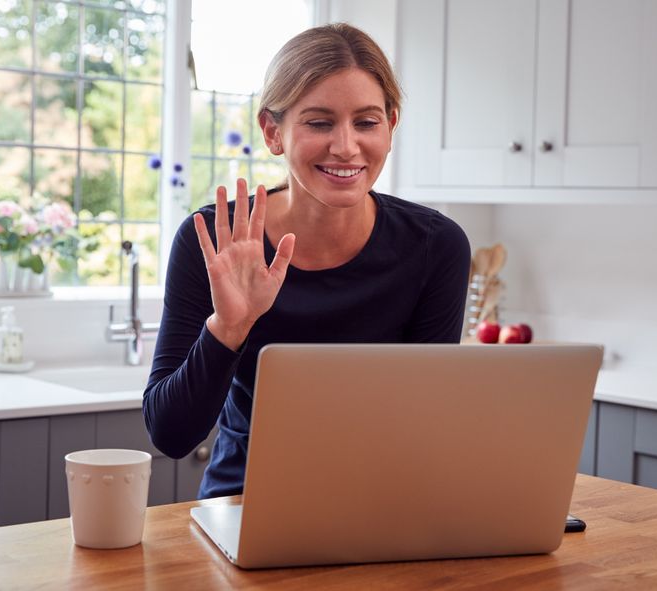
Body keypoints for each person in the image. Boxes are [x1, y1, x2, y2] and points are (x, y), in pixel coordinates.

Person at [143, 23, 471, 499]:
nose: (345, 146)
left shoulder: (435, 246)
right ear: (273, 132)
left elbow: (426, 421)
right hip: (244, 501)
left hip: (386, 503)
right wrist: (229, 328)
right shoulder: (214, 242)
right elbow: (171, 436)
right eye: (319, 122)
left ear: (391, 126)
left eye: (366, 121)